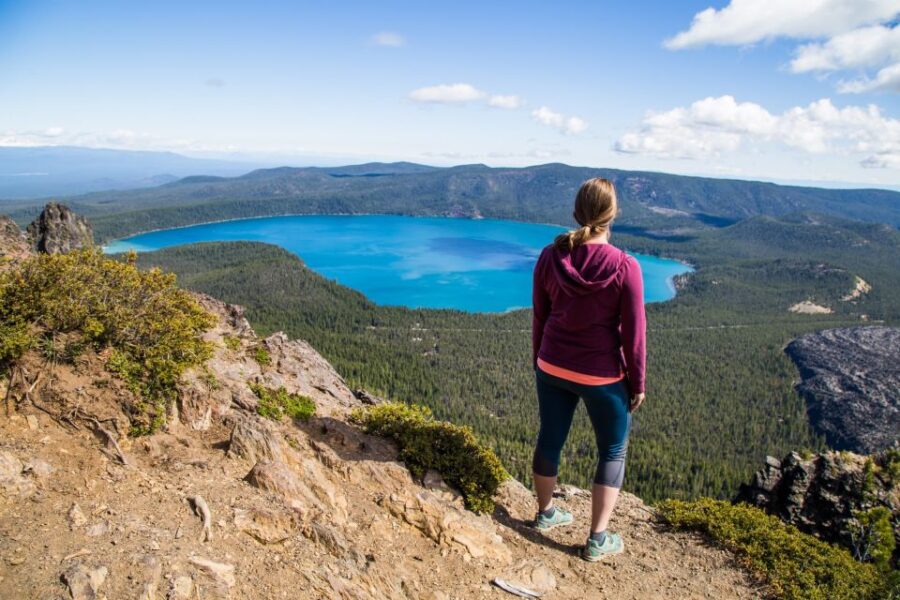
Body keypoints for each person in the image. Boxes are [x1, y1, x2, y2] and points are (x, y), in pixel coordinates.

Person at [530, 177, 646, 562]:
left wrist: (539, 361)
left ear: (576, 211)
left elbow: (540, 317)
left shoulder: (551, 256)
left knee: (550, 437)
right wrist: (637, 381)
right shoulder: (626, 266)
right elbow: (634, 335)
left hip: (552, 364)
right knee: (612, 449)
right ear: (613, 215)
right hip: (602, 375)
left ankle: (545, 514)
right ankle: (597, 538)